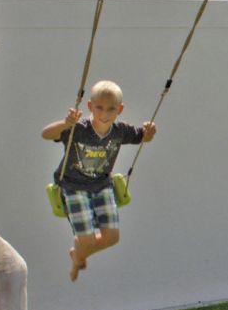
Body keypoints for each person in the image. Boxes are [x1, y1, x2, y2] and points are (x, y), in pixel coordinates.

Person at [42, 80, 156, 282]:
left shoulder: (120, 131)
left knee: (112, 237)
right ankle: (80, 253)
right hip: (74, 187)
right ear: (90, 107)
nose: (104, 113)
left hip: (102, 186)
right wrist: (66, 123)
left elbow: (143, 137)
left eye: (111, 109)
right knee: (85, 239)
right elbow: (46, 134)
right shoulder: (79, 129)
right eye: (99, 108)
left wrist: (150, 132)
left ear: (120, 110)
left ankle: (78, 255)